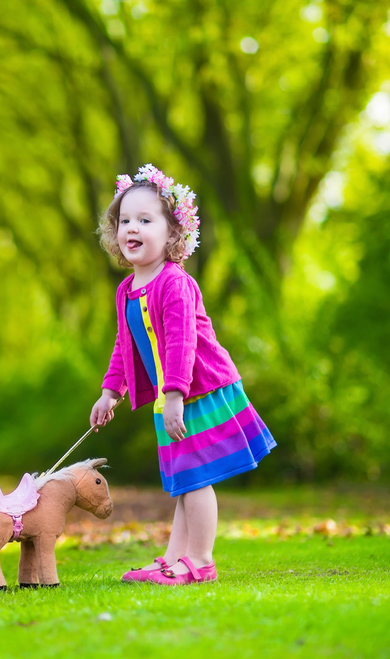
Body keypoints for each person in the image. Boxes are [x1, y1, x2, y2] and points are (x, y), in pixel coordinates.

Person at [89, 164, 276, 586]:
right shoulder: (127, 289)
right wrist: (109, 392)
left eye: (145, 219)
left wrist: (174, 396)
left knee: (196, 479)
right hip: (170, 396)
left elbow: (181, 343)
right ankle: (175, 558)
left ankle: (201, 561)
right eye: (124, 221)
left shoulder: (174, 283)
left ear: (173, 233)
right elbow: (125, 345)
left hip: (198, 389)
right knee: (183, 481)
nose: (131, 228)